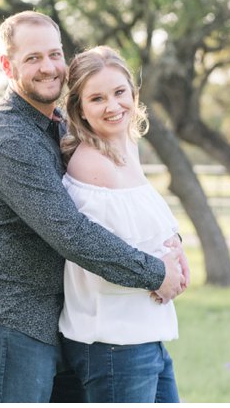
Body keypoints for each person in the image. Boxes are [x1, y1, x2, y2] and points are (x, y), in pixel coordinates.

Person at [0, 11, 187, 403]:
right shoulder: (9, 138)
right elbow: (71, 232)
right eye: (32, 58)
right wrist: (155, 273)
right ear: (7, 65)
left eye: (54, 54)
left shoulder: (60, 125)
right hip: (11, 321)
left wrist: (173, 244)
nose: (48, 67)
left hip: (61, 322)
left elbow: (127, 200)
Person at [59, 46, 185, 403]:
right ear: (79, 108)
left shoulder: (127, 148)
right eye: (97, 98)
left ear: (133, 93)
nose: (113, 106)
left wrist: (177, 251)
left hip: (145, 335)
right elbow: (101, 257)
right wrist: (161, 274)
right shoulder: (89, 165)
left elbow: (148, 224)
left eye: (119, 92)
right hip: (113, 343)